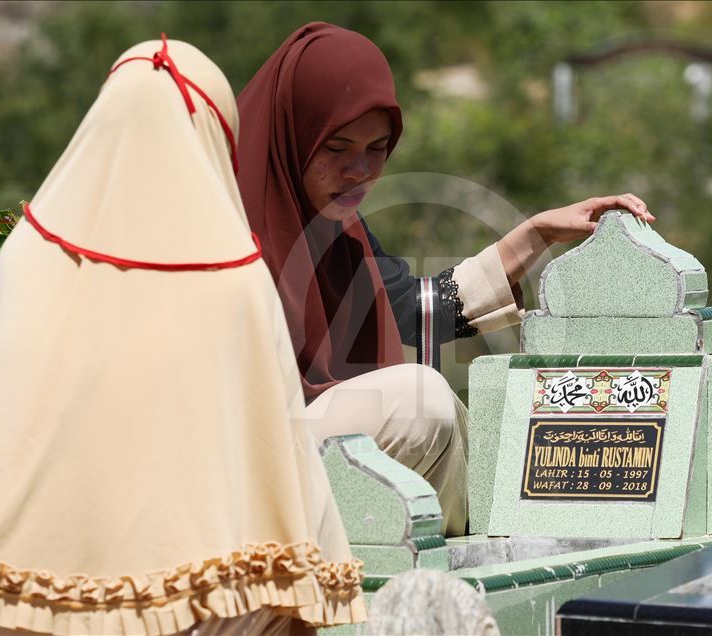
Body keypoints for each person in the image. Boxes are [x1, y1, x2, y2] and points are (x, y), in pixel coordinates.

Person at [0, 37, 364, 635]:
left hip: (10, 609)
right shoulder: (235, 281)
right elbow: (287, 484)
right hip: (192, 615)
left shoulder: (24, 258)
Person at [236, 22, 654, 536]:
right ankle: (465, 559)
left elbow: (410, 308)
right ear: (293, 132)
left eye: (376, 148)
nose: (358, 171)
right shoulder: (220, 219)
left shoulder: (335, 226)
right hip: (234, 471)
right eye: (337, 147)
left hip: (299, 457)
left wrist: (535, 234)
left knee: (443, 409)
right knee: (422, 401)